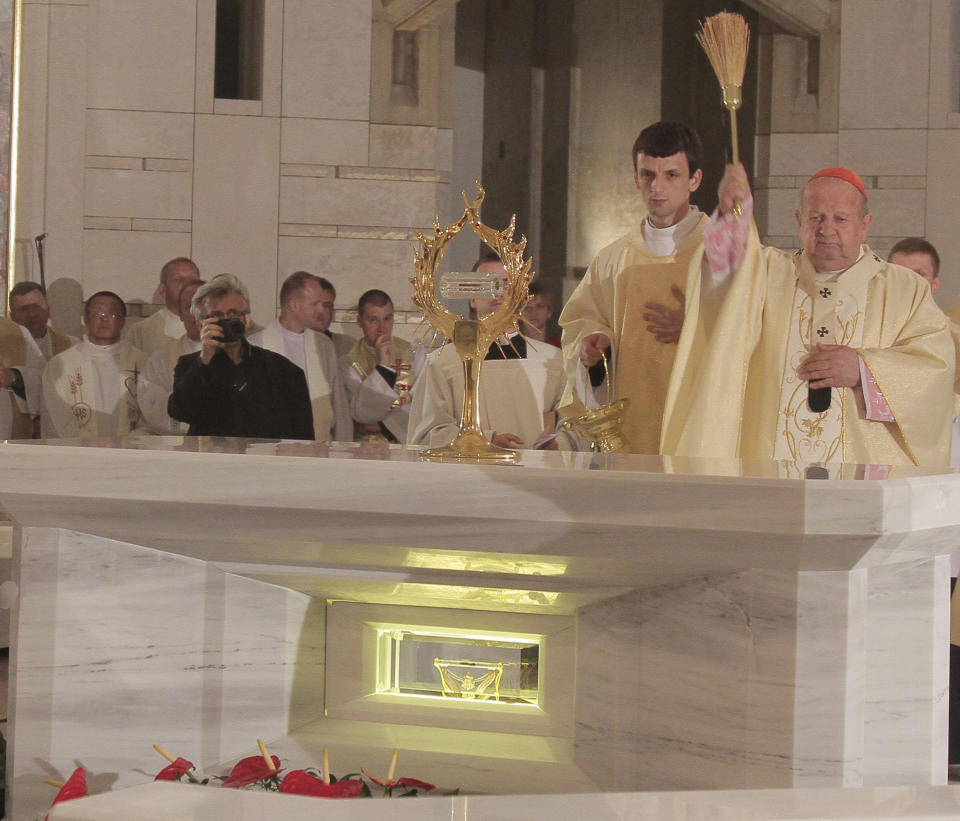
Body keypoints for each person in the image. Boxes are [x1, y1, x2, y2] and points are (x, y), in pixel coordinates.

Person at [661, 166, 954, 468]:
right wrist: (730, 215)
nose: (826, 230)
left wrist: (865, 371)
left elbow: (937, 370)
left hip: (862, 484)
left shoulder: (905, 290)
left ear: (865, 225)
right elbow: (723, 284)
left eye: (840, 219)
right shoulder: (767, 272)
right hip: (771, 475)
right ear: (799, 221)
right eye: (816, 218)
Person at [558, 121, 709, 454]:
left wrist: (696, 326)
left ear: (694, 180)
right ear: (635, 178)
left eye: (671, 175)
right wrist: (594, 347)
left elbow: (754, 329)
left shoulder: (723, 254)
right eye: (647, 174)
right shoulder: (612, 259)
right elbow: (579, 323)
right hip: (630, 430)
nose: (658, 187)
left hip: (700, 428)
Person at [408, 255, 570, 450]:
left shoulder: (552, 360)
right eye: (486, 284)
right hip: (469, 476)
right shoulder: (442, 362)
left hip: (534, 474)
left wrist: (560, 444)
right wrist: (483, 441)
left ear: (520, 296)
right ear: (472, 299)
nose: (498, 292)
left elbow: (575, 423)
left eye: (506, 284)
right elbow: (425, 435)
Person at [168, 274, 314, 440]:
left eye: (233, 314)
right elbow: (179, 412)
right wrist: (204, 360)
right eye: (216, 316)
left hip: (265, 462)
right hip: (211, 462)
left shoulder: (283, 371)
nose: (226, 322)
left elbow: (304, 441)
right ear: (201, 324)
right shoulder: (191, 366)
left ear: (246, 319)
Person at [248, 271, 351, 442]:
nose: (321, 310)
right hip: (271, 451)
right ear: (294, 305)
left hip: (319, 451)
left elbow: (339, 408)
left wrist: (343, 451)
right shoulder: (255, 346)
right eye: (315, 304)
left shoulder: (324, 345)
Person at [41, 291, 148, 438]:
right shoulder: (61, 364)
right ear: (85, 319)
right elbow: (54, 414)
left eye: (112, 314)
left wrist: (129, 442)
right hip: (78, 453)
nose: (104, 320)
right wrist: (84, 445)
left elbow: (152, 413)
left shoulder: (143, 363)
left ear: (123, 321)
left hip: (129, 452)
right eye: (98, 313)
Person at [340, 288, 423, 443]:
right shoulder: (349, 361)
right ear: (360, 321)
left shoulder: (414, 353)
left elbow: (421, 407)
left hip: (404, 447)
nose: (382, 328)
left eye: (387, 319)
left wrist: (384, 426)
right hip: (364, 450)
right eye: (373, 320)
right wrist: (383, 365)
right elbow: (363, 414)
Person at [137, 280, 204, 435]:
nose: (198, 314)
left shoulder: (237, 356)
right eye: (189, 307)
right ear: (180, 314)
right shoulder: (160, 360)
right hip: (178, 446)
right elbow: (153, 407)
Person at [126, 257, 201, 354]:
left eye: (192, 279)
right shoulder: (141, 332)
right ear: (162, 290)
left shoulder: (214, 323)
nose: (187, 283)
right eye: (178, 279)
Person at [9, 281, 76, 359]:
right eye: (24, 309)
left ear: (48, 309)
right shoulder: (4, 348)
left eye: (36, 307)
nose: (32, 314)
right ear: (12, 316)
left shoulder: (71, 345)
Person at [313, 275, 354, 357]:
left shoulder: (348, 346)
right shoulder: (289, 343)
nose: (321, 311)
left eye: (327, 305)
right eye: (315, 304)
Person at [519, 280, 560, 347]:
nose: (533, 312)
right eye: (527, 307)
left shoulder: (558, 349)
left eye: (539, 306)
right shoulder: (511, 349)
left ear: (549, 312)